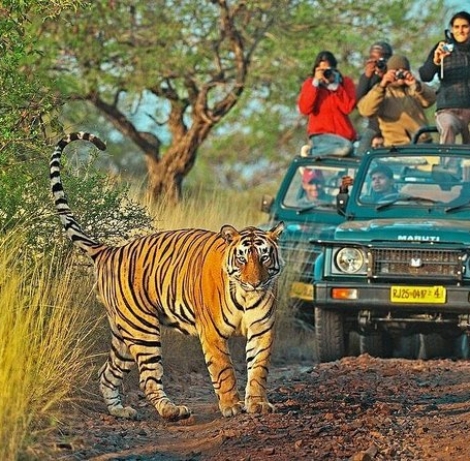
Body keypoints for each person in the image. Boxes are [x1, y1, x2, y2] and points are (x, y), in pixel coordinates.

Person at [357, 55, 436, 147]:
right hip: (396, 146)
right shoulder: (382, 92)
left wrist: (416, 85)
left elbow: (431, 99)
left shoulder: (413, 89)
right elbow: (365, 110)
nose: (399, 74)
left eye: (403, 70)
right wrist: (383, 84)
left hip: (422, 143)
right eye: (395, 71)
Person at [419, 11, 470, 144]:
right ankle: (447, 165)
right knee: (448, 126)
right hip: (448, 109)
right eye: (457, 27)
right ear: (452, 29)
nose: (461, 31)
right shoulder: (442, 48)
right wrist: (436, 60)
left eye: (465, 26)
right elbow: (425, 76)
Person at [298, 50, 357, 157]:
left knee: (356, 151)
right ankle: (311, 153)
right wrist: (315, 84)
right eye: (322, 70)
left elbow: (347, 108)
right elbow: (305, 109)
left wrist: (336, 87)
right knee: (346, 148)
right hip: (321, 135)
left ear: (334, 69)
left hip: (344, 136)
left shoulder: (345, 82)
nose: (325, 73)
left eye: (328, 70)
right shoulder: (310, 84)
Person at [356, 41, 393, 154]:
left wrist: (386, 76)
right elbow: (359, 101)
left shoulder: (394, 76)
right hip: (374, 127)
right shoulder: (368, 77)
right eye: (373, 59)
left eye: (382, 59)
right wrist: (367, 76)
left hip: (393, 126)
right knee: (360, 156)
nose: (378, 63)